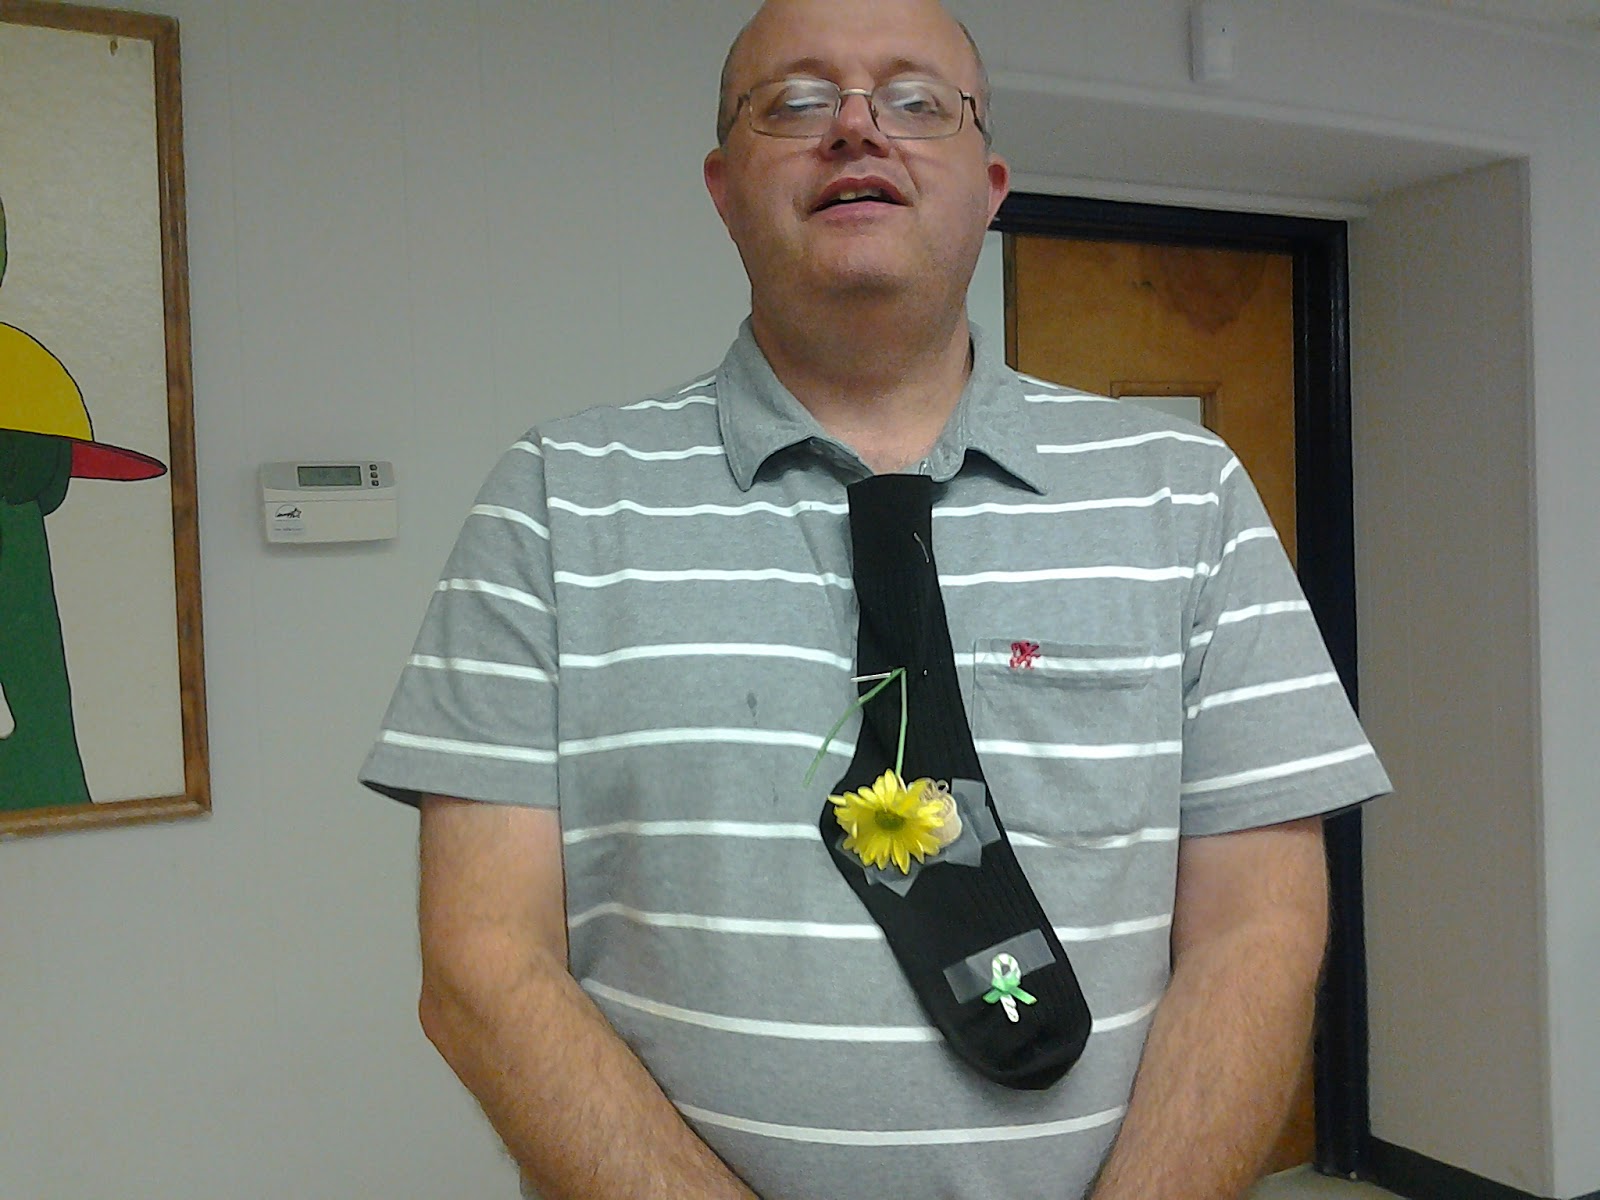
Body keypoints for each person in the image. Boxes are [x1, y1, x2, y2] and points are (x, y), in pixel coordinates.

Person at [359, 1, 1391, 1196]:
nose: (856, 129)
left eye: (915, 102)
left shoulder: (1186, 493)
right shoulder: (552, 501)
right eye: (796, 102)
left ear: (989, 186)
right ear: (722, 189)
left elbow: (1257, 931)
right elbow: (482, 962)